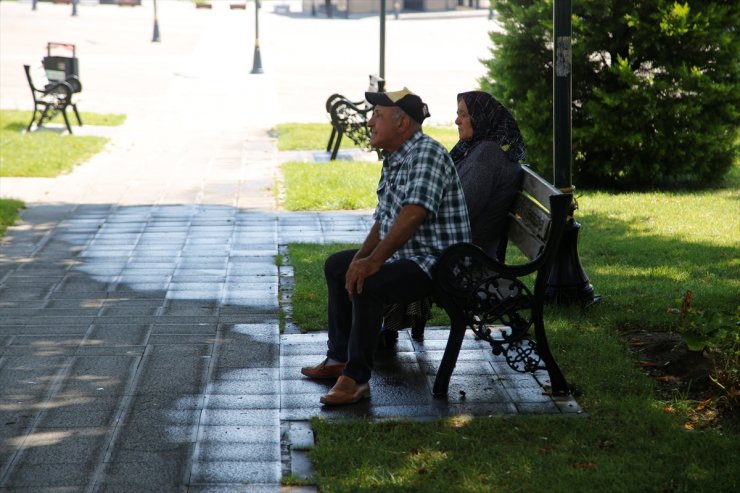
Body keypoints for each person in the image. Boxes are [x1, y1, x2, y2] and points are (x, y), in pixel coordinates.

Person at [300, 87, 472, 406]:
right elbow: (385, 220)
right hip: (413, 256)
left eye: (377, 115)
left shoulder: (426, 154)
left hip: (441, 263)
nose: (369, 123)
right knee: (339, 266)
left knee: (371, 283)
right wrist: (362, 258)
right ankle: (339, 358)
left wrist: (373, 262)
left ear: (402, 123)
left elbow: (412, 214)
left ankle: (355, 379)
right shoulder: (397, 156)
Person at [450, 91, 525, 258]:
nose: (457, 121)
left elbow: (461, 212)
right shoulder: (477, 148)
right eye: (457, 114)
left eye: (464, 115)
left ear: (481, 118)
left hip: (465, 257)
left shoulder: (487, 156)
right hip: (458, 247)